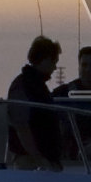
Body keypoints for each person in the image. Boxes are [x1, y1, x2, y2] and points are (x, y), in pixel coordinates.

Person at [6, 36, 63, 171]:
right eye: (54, 61)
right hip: (31, 162)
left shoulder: (38, 86)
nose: (55, 67)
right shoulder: (22, 86)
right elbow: (21, 125)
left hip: (44, 160)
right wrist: (39, 159)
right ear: (45, 59)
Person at [52, 45, 91, 159]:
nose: (88, 69)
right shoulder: (61, 93)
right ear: (79, 66)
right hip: (65, 156)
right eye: (84, 65)